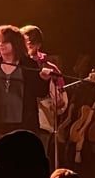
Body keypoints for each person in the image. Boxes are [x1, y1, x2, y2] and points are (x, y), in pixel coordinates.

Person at [0, 25, 54, 145]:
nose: (1, 45)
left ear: (15, 43)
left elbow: (40, 92)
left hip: (23, 124)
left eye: (5, 41)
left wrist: (44, 79)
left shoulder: (28, 64)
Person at [20, 25, 68, 153]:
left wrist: (58, 102)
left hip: (44, 122)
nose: (26, 47)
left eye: (30, 44)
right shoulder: (15, 64)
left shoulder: (49, 67)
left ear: (38, 45)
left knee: (39, 155)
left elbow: (62, 94)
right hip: (20, 120)